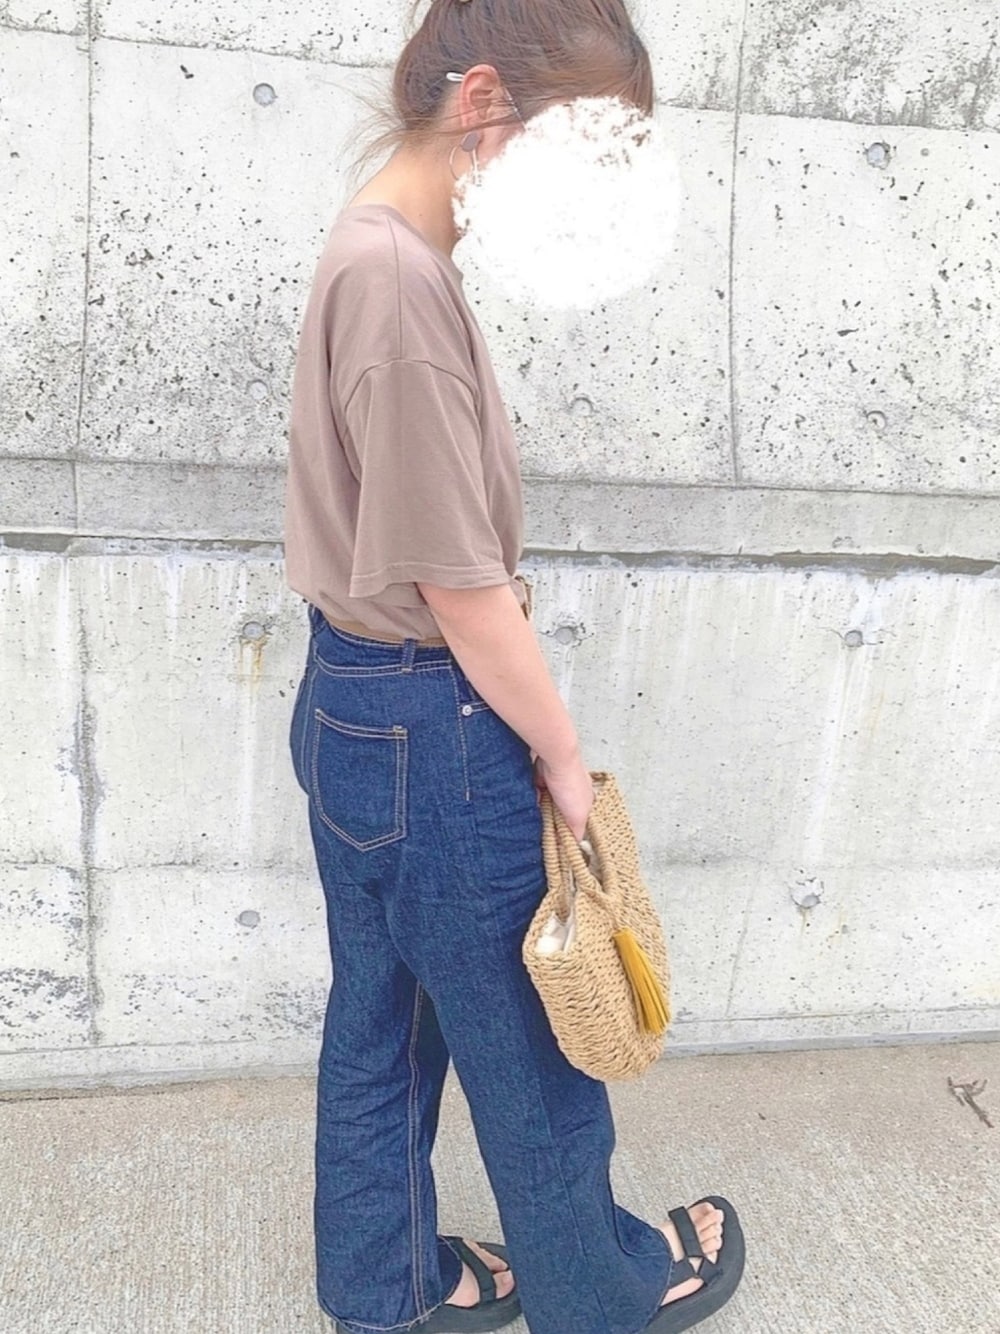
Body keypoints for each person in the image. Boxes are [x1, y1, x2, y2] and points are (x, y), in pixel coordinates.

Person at [284, 2, 745, 1331]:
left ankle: (386, 1286)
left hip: (356, 703)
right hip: (433, 723)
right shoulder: (399, 285)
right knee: (535, 1049)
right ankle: (604, 1291)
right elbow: (463, 589)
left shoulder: (380, 248)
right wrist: (561, 757)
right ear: (483, 100)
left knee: (383, 1026)